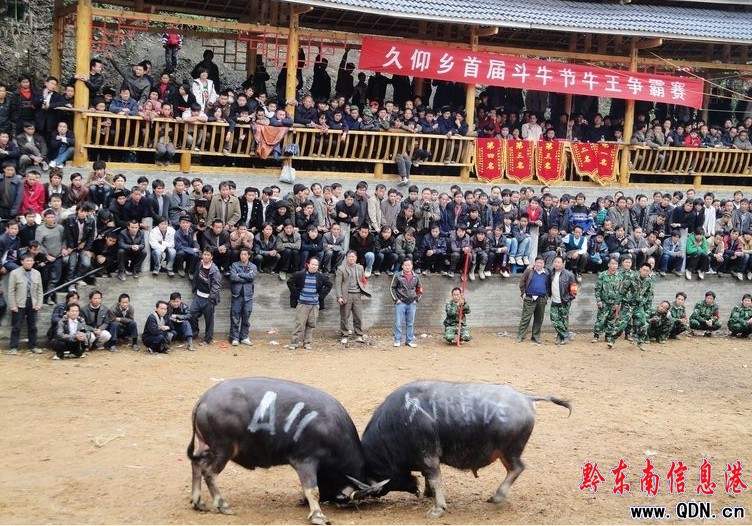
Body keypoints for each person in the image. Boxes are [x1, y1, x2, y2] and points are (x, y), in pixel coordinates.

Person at [285, 256, 332, 350]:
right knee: (300, 324)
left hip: (314, 304)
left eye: (316, 265)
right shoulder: (300, 274)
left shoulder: (321, 276)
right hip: (302, 303)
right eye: (312, 264)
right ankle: (294, 343)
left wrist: (320, 296)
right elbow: (290, 282)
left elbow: (329, 284)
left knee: (311, 324)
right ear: (308, 265)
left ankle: (307, 343)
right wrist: (297, 294)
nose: (314, 266)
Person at [5, 253, 43, 355]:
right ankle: (13, 347)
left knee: (33, 326)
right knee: (16, 326)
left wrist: (39, 303)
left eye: (31, 261)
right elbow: (11, 291)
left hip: (32, 302)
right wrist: (13, 305)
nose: (29, 263)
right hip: (19, 302)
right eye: (27, 261)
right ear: (22, 262)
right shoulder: (15, 273)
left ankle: (33, 346)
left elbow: (40, 291)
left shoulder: (37, 273)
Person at [335, 250, 371, 345]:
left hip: (357, 294)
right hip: (346, 294)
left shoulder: (360, 268)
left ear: (356, 258)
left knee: (358, 316)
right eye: (349, 256)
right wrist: (339, 296)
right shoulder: (341, 268)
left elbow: (363, 280)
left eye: (353, 256)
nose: (351, 258)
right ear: (346, 258)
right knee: (344, 316)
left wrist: (364, 289)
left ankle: (359, 334)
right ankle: (344, 335)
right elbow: (338, 284)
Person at [516, 256, 549, 344]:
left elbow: (548, 285)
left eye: (541, 263)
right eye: (537, 262)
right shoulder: (529, 271)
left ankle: (535, 336)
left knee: (539, 319)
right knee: (526, 318)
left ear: (544, 264)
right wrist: (523, 293)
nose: (539, 264)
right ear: (534, 263)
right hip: (530, 298)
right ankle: (520, 336)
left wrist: (546, 296)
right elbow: (522, 282)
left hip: (542, 299)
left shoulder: (546, 273)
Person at [390, 258, 422, 348]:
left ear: (412, 266)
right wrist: (396, 300)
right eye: (405, 265)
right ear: (402, 266)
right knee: (398, 322)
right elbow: (392, 288)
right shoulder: (397, 275)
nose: (407, 267)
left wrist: (417, 299)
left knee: (410, 323)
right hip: (401, 302)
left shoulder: (416, 276)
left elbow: (419, 289)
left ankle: (409, 340)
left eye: (409, 265)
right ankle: (397, 340)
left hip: (412, 303)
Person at [229, 248, 257, 346]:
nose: (243, 256)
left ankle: (244, 337)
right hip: (237, 295)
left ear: (249, 256)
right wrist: (246, 277)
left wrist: (240, 274)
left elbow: (252, 277)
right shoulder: (235, 265)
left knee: (246, 317)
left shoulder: (253, 266)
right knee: (235, 317)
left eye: (245, 254)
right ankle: (234, 338)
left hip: (248, 296)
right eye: (241, 254)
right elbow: (233, 277)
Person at [592, 257, 622, 343]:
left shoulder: (620, 276)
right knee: (601, 319)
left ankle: (608, 336)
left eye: (615, 264)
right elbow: (598, 289)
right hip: (604, 302)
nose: (614, 266)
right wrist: (598, 300)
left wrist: (618, 303)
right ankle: (596, 335)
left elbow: (621, 291)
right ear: (608, 264)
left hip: (614, 303)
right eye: (612, 263)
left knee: (611, 320)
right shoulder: (603, 275)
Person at [549, 255, 577, 345]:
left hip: (564, 301)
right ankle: (566, 335)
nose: (556, 264)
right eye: (555, 262)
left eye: (559, 262)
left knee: (564, 321)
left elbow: (574, 290)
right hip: (554, 300)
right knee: (554, 319)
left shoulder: (569, 275)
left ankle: (561, 337)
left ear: (563, 263)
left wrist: (569, 299)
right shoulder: (551, 273)